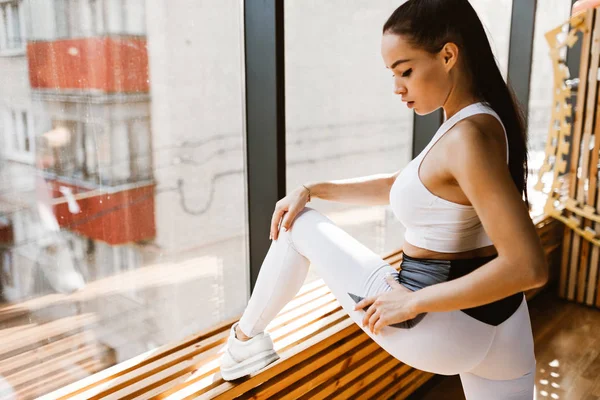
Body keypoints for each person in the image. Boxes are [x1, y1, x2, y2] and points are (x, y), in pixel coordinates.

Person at [219, 0, 548, 398]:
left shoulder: (467, 138)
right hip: (505, 325)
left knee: (297, 227)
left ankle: (242, 344)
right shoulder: (481, 118)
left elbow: (528, 266)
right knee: (303, 210)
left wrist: (412, 303)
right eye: (392, 74)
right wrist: (316, 189)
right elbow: (406, 184)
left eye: (405, 71)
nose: (397, 87)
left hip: (435, 324)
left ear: (448, 55)